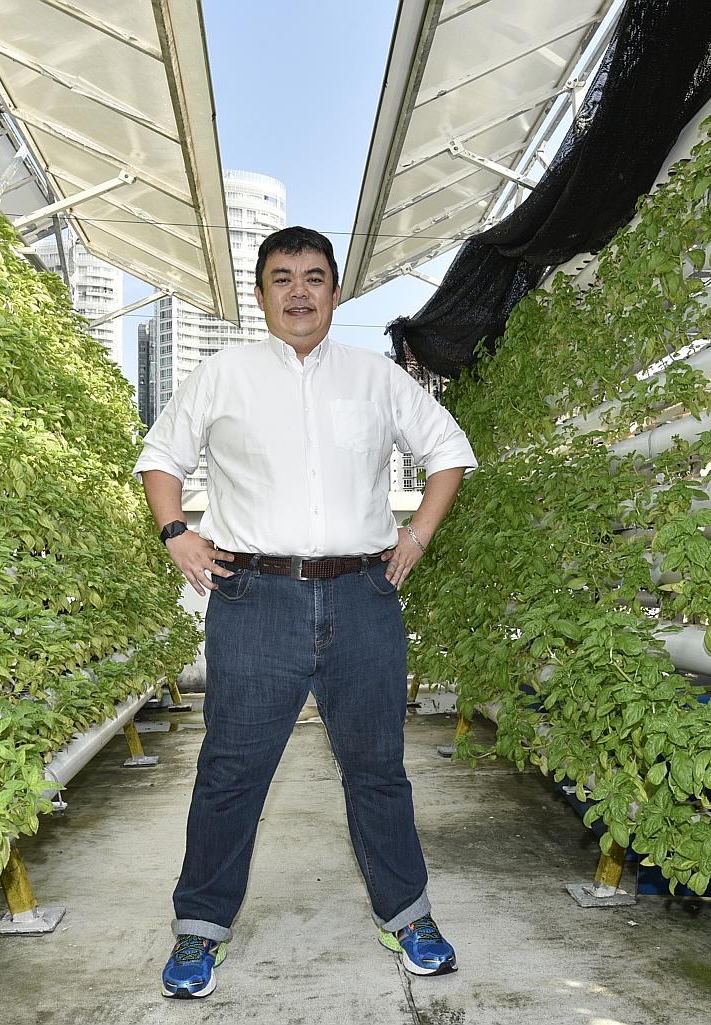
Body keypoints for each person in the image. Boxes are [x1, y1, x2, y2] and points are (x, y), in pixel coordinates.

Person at [133, 226, 477, 999]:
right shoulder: (222, 374)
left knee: (378, 769)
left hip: (362, 598)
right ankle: (200, 928)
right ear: (260, 295)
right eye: (282, 278)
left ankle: (408, 914)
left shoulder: (375, 377)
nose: (299, 291)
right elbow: (161, 459)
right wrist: (176, 533)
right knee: (230, 770)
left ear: (334, 291)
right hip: (255, 600)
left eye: (315, 277)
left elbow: (448, 449)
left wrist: (416, 534)